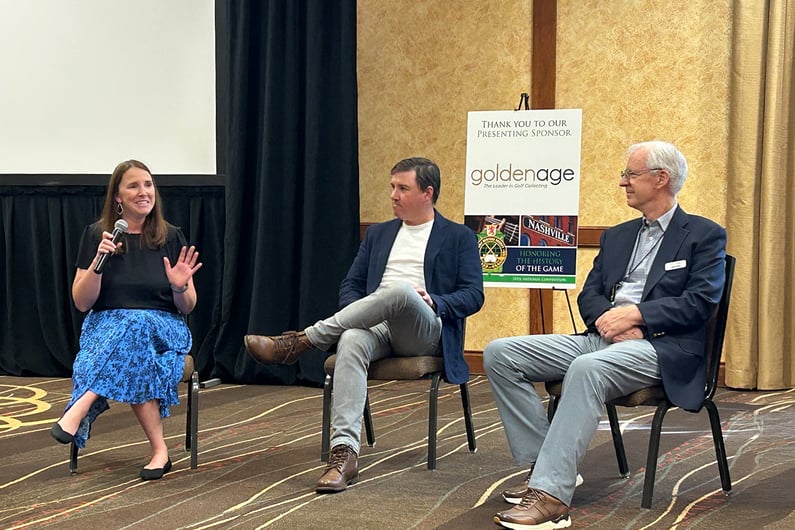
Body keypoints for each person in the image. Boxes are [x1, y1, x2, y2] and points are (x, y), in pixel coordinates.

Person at [484, 140, 727, 530]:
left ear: (661, 178)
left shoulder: (704, 235)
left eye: (630, 174)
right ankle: (543, 465)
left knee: (586, 368)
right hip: (604, 338)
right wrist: (611, 323)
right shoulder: (617, 236)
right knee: (500, 353)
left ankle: (551, 498)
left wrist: (637, 316)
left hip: (660, 347)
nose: (622, 182)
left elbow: (700, 303)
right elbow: (590, 295)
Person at [244, 156, 484, 492]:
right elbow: (351, 286)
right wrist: (360, 312)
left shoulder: (459, 237)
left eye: (403, 188)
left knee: (400, 291)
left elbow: (474, 296)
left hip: (425, 329)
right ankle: (344, 455)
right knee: (353, 338)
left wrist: (436, 301)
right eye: (392, 187)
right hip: (378, 329)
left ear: (427, 193)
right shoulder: (379, 234)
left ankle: (303, 341)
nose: (393, 195)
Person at [50, 160, 203, 481]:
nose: (143, 192)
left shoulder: (170, 236)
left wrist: (179, 285)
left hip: (162, 328)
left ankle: (82, 403)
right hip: (105, 331)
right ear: (117, 197)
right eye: (133, 186)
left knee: (136, 324)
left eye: (148, 184)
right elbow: (82, 302)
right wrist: (97, 262)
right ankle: (161, 451)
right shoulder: (97, 236)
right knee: (135, 351)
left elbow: (188, 306)